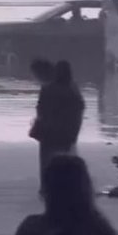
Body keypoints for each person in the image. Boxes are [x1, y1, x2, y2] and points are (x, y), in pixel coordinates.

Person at [31, 61, 85, 191]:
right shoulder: (73, 88)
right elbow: (79, 109)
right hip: (66, 132)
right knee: (66, 160)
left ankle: (46, 187)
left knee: (47, 161)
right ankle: (66, 186)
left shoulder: (48, 88)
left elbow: (40, 109)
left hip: (48, 132)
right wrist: (74, 132)